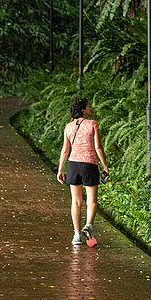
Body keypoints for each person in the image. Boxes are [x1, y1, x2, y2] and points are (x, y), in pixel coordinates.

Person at [56, 97, 109, 247]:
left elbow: (65, 150)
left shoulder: (68, 127)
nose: (92, 108)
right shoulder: (93, 124)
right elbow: (98, 147)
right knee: (91, 200)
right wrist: (105, 165)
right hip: (89, 165)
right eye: (89, 106)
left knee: (76, 201)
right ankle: (89, 226)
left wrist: (60, 169)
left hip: (73, 165)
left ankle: (77, 235)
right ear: (83, 110)